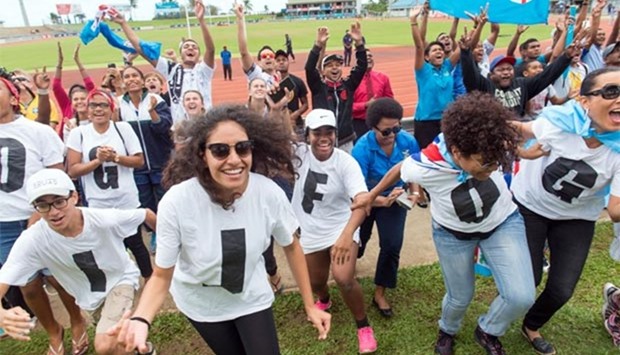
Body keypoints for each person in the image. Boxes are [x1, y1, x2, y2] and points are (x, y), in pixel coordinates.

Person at [109, 105, 331, 355]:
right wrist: (140, 319)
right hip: (202, 303)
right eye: (220, 150)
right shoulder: (177, 202)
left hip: (251, 296)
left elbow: (291, 245)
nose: (234, 159)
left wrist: (310, 305)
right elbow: (161, 275)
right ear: (202, 154)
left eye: (243, 148)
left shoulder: (268, 193)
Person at [353, 92, 536, 355]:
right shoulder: (427, 163)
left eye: (496, 161)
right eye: (485, 163)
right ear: (458, 152)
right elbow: (401, 169)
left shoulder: (487, 137)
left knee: (521, 296)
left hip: (502, 223)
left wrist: (524, 152)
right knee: (459, 297)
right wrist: (372, 196)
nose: (493, 168)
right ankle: (447, 329)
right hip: (452, 235)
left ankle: (488, 329)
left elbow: (515, 133)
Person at [511, 67, 620, 355]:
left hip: (577, 217)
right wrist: (520, 152)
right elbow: (518, 129)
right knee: (527, 280)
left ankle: (531, 325)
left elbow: (615, 210)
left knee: (561, 290)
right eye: (612, 92)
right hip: (530, 206)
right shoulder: (559, 121)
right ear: (585, 101)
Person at [0, 168, 157, 355]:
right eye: (43, 205)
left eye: (59, 202)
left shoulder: (103, 219)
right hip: (88, 296)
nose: (54, 212)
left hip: (120, 280)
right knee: (118, 335)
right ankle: (145, 348)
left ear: (74, 197)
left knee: (105, 345)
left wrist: (169, 251)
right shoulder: (33, 239)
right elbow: (5, 276)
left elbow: (145, 214)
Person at [0, 72, 91, 355]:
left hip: (41, 217)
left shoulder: (38, 132)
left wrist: (41, 213)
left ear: (14, 97)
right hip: (3, 224)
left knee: (58, 277)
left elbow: (57, 176)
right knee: (26, 284)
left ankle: (77, 320)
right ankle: (54, 330)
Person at [291, 109, 376, 353]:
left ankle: (363, 327)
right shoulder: (298, 153)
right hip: (309, 228)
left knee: (343, 278)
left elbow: (362, 202)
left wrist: (347, 235)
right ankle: (324, 299)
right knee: (316, 281)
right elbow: (272, 135)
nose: (324, 137)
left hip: (341, 226)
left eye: (329, 131)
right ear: (307, 135)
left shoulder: (346, 162)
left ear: (336, 134)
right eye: (317, 132)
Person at [66, 90, 153, 280]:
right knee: (107, 248)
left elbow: (139, 161)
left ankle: (149, 281)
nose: (98, 109)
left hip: (125, 199)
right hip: (98, 203)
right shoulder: (78, 134)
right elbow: (72, 170)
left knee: (136, 243)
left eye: (103, 105)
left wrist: (116, 158)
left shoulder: (122, 129)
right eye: (93, 105)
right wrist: (97, 161)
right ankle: (121, 282)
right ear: (87, 110)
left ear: (111, 109)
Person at [352, 98, 420, 319]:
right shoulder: (361, 150)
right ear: (372, 127)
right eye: (386, 131)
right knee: (359, 239)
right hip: (367, 200)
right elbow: (357, 193)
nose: (392, 134)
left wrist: (415, 191)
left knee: (391, 245)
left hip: (395, 199)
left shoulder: (408, 142)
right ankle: (352, 264)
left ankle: (380, 292)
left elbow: (413, 171)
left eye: (397, 128)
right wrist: (381, 200)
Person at [111, 0, 215, 123]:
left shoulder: (203, 70)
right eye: (186, 47)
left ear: (199, 55)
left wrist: (201, 21)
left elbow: (211, 49)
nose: (190, 48)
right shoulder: (171, 69)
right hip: (181, 128)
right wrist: (124, 24)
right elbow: (141, 48)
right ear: (181, 54)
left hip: (206, 125)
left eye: (194, 47)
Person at [460, 18, 576, 118]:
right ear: (491, 74)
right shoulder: (484, 86)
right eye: (500, 70)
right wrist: (465, 52)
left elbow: (547, 76)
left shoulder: (522, 85)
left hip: (516, 136)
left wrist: (567, 56)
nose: (506, 72)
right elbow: (469, 75)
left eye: (509, 69)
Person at [118, 66, 173, 255]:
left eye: (135, 75)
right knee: (145, 201)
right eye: (127, 76)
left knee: (165, 199)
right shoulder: (119, 105)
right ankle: (155, 233)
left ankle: (168, 233)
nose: (131, 79)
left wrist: (152, 112)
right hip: (136, 165)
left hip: (159, 160)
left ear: (142, 81)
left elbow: (164, 128)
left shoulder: (155, 100)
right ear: (122, 82)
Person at [305, 23, 367, 153]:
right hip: (323, 140)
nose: (334, 68)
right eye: (330, 65)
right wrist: (318, 45)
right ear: (323, 70)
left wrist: (359, 43)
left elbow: (362, 67)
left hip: (346, 141)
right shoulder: (318, 88)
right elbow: (309, 68)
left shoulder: (348, 85)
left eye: (338, 65)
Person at [409, 8, 460, 148]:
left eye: (441, 50)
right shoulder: (422, 70)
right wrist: (414, 21)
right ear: (426, 57)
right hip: (426, 122)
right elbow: (419, 46)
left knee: (449, 155)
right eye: (435, 50)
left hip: (447, 120)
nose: (439, 51)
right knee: (428, 158)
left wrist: (476, 26)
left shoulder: (447, 67)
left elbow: (464, 47)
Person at [53, 43, 96, 141]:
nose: (79, 101)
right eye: (75, 99)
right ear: (71, 101)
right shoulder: (66, 106)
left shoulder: (95, 114)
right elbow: (56, 87)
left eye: (82, 98)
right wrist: (59, 63)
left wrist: (78, 62)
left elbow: (90, 85)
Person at [352, 49, 394, 139]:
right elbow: (347, 107)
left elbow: (390, 100)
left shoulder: (383, 78)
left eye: (370, 56)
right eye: (365, 56)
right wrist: (365, 105)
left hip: (379, 122)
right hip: (358, 123)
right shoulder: (351, 81)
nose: (369, 58)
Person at [234, 4, 278, 86]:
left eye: (271, 55)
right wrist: (240, 19)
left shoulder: (281, 78)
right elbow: (244, 52)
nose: (268, 57)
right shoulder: (257, 75)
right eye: (264, 56)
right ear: (259, 62)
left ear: (275, 61)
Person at [275, 49, 309, 135]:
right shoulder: (271, 83)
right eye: (278, 60)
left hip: (296, 124)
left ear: (288, 62)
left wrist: (295, 114)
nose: (281, 62)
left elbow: (305, 104)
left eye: (284, 60)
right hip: (277, 125)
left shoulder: (297, 81)